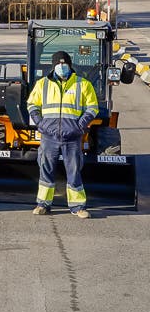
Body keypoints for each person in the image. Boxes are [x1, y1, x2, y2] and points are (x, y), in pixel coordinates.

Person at [27, 50, 99, 219]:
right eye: (58, 64)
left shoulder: (83, 84)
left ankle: (78, 207)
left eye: (64, 63)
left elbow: (93, 107)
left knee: (74, 171)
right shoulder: (42, 84)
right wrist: (41, 123)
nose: (62, 67)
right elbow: (31, 104)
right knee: (46, 169)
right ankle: (43, 204)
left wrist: (79, 125)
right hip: (49, 137)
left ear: (70, 65)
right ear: (53, 66)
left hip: (72, 137)